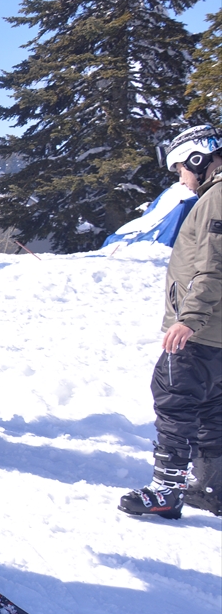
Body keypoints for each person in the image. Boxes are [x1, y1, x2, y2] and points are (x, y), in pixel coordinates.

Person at [120, 125, 222, 519]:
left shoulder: (215, 198)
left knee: (173, 398)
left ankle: (166, 489)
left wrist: (189, 320)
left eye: (182, 168)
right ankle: (212, 487)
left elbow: (212, 267)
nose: (182, 178)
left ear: (199, 157)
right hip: (217, 334)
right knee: (212, 409)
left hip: (202, 329)